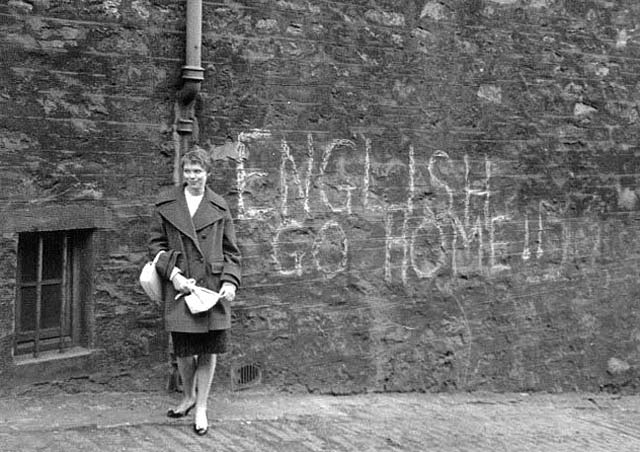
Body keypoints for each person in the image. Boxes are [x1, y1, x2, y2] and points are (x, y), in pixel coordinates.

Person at [148, 146, 241, 436]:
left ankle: (201, 407)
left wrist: (229, 281)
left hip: (211, 288)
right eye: (188, 171)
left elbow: (232, 252)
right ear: (182, 173)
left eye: (198, 171)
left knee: (209, 350)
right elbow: (154, 246)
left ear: (207, 173)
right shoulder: (166, 204)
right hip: (182, 288)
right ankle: (187, 396)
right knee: (185, 349)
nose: (193, 176)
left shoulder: (219, 206)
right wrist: (173, 275)